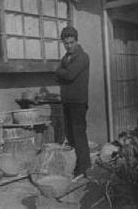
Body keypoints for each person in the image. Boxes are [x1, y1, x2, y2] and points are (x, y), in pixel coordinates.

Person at [55, 26, 91, 181]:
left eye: (71, 42)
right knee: (70, 134)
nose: (68, 46)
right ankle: (78, 164)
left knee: (79, 134)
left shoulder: (82, 57)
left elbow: (68, 75)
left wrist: (58, 71)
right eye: (65, 43)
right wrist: (60, 73)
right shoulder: (66, 58)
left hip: (78, 102)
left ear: (76, 41)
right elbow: (62, 76)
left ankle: (85, 167)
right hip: (67, 101)